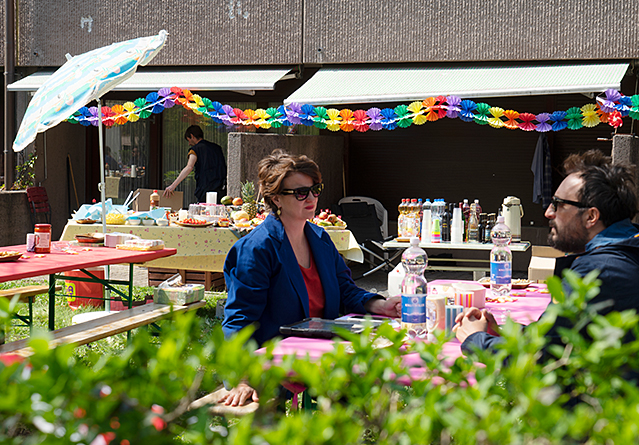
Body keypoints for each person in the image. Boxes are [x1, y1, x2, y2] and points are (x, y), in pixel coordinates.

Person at [220, 149, 401, 406]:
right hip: (275, 358)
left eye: (315, 189)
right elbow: (239, 319)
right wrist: (243, 378)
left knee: (369, 386)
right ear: (276, 199)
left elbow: (345, 290)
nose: (312, 197)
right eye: (300, 192)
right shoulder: (257, 248)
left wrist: (380, 305)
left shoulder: (319, 238)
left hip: (321, 350)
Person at [455, 149, 639, 354]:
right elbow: (561, 337)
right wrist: (504, 333)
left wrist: (475, 340)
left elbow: (544, 357)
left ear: (591, 217)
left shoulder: (598, 270)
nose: (548, 212)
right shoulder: (625, 250)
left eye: (558, 204)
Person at [163, 125, 227, 202]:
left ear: (192, 136)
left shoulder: (195, 150)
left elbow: (189, 167)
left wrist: (172, 186)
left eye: (189, 140)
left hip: (205, 189)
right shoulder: (217, 148)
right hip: (221, 189)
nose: (189, 143)